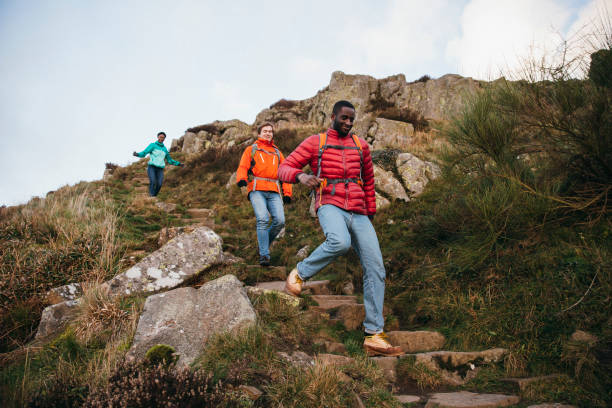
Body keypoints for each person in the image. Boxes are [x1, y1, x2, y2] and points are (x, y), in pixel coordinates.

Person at [277, 100, 402, 357]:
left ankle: (374, 336)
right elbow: (284, 167)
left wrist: (370, 212)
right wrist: (301, 176)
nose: (347, 123)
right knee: (339, 242)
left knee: (376, 268)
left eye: (351, 119)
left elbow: (368, 182)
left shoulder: (361, 146)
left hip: (359, 212)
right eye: (343, 118)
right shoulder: (316, 142)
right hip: (329, 203)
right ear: (333, 116)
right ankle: (299, 274)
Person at [236, 122, 293, 266]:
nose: (268, 133)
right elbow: (243, 166)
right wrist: (242, 179)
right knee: (262, 219)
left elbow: (285, 174)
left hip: (274, 190)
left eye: (270, 131)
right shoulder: (251, 149)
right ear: (259, 134)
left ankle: (263, 244)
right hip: (256, 189)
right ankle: (264, 255)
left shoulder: (277, 153)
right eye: (265, 131)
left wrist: (287, 192)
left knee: (280, 221)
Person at [133, 132, 182, 197]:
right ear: (158, 137)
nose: (161, 138)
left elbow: (169, 160)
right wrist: (137, 154)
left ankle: (154, 196)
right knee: (153, 182)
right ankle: (151, 196)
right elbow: (144, 153)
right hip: (152, 167)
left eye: (163, 138)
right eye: (160, 137)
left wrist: (179, 164)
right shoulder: (152, 145)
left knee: (159, 184)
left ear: (164, 139)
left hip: (160, 169)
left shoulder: (165, 149)